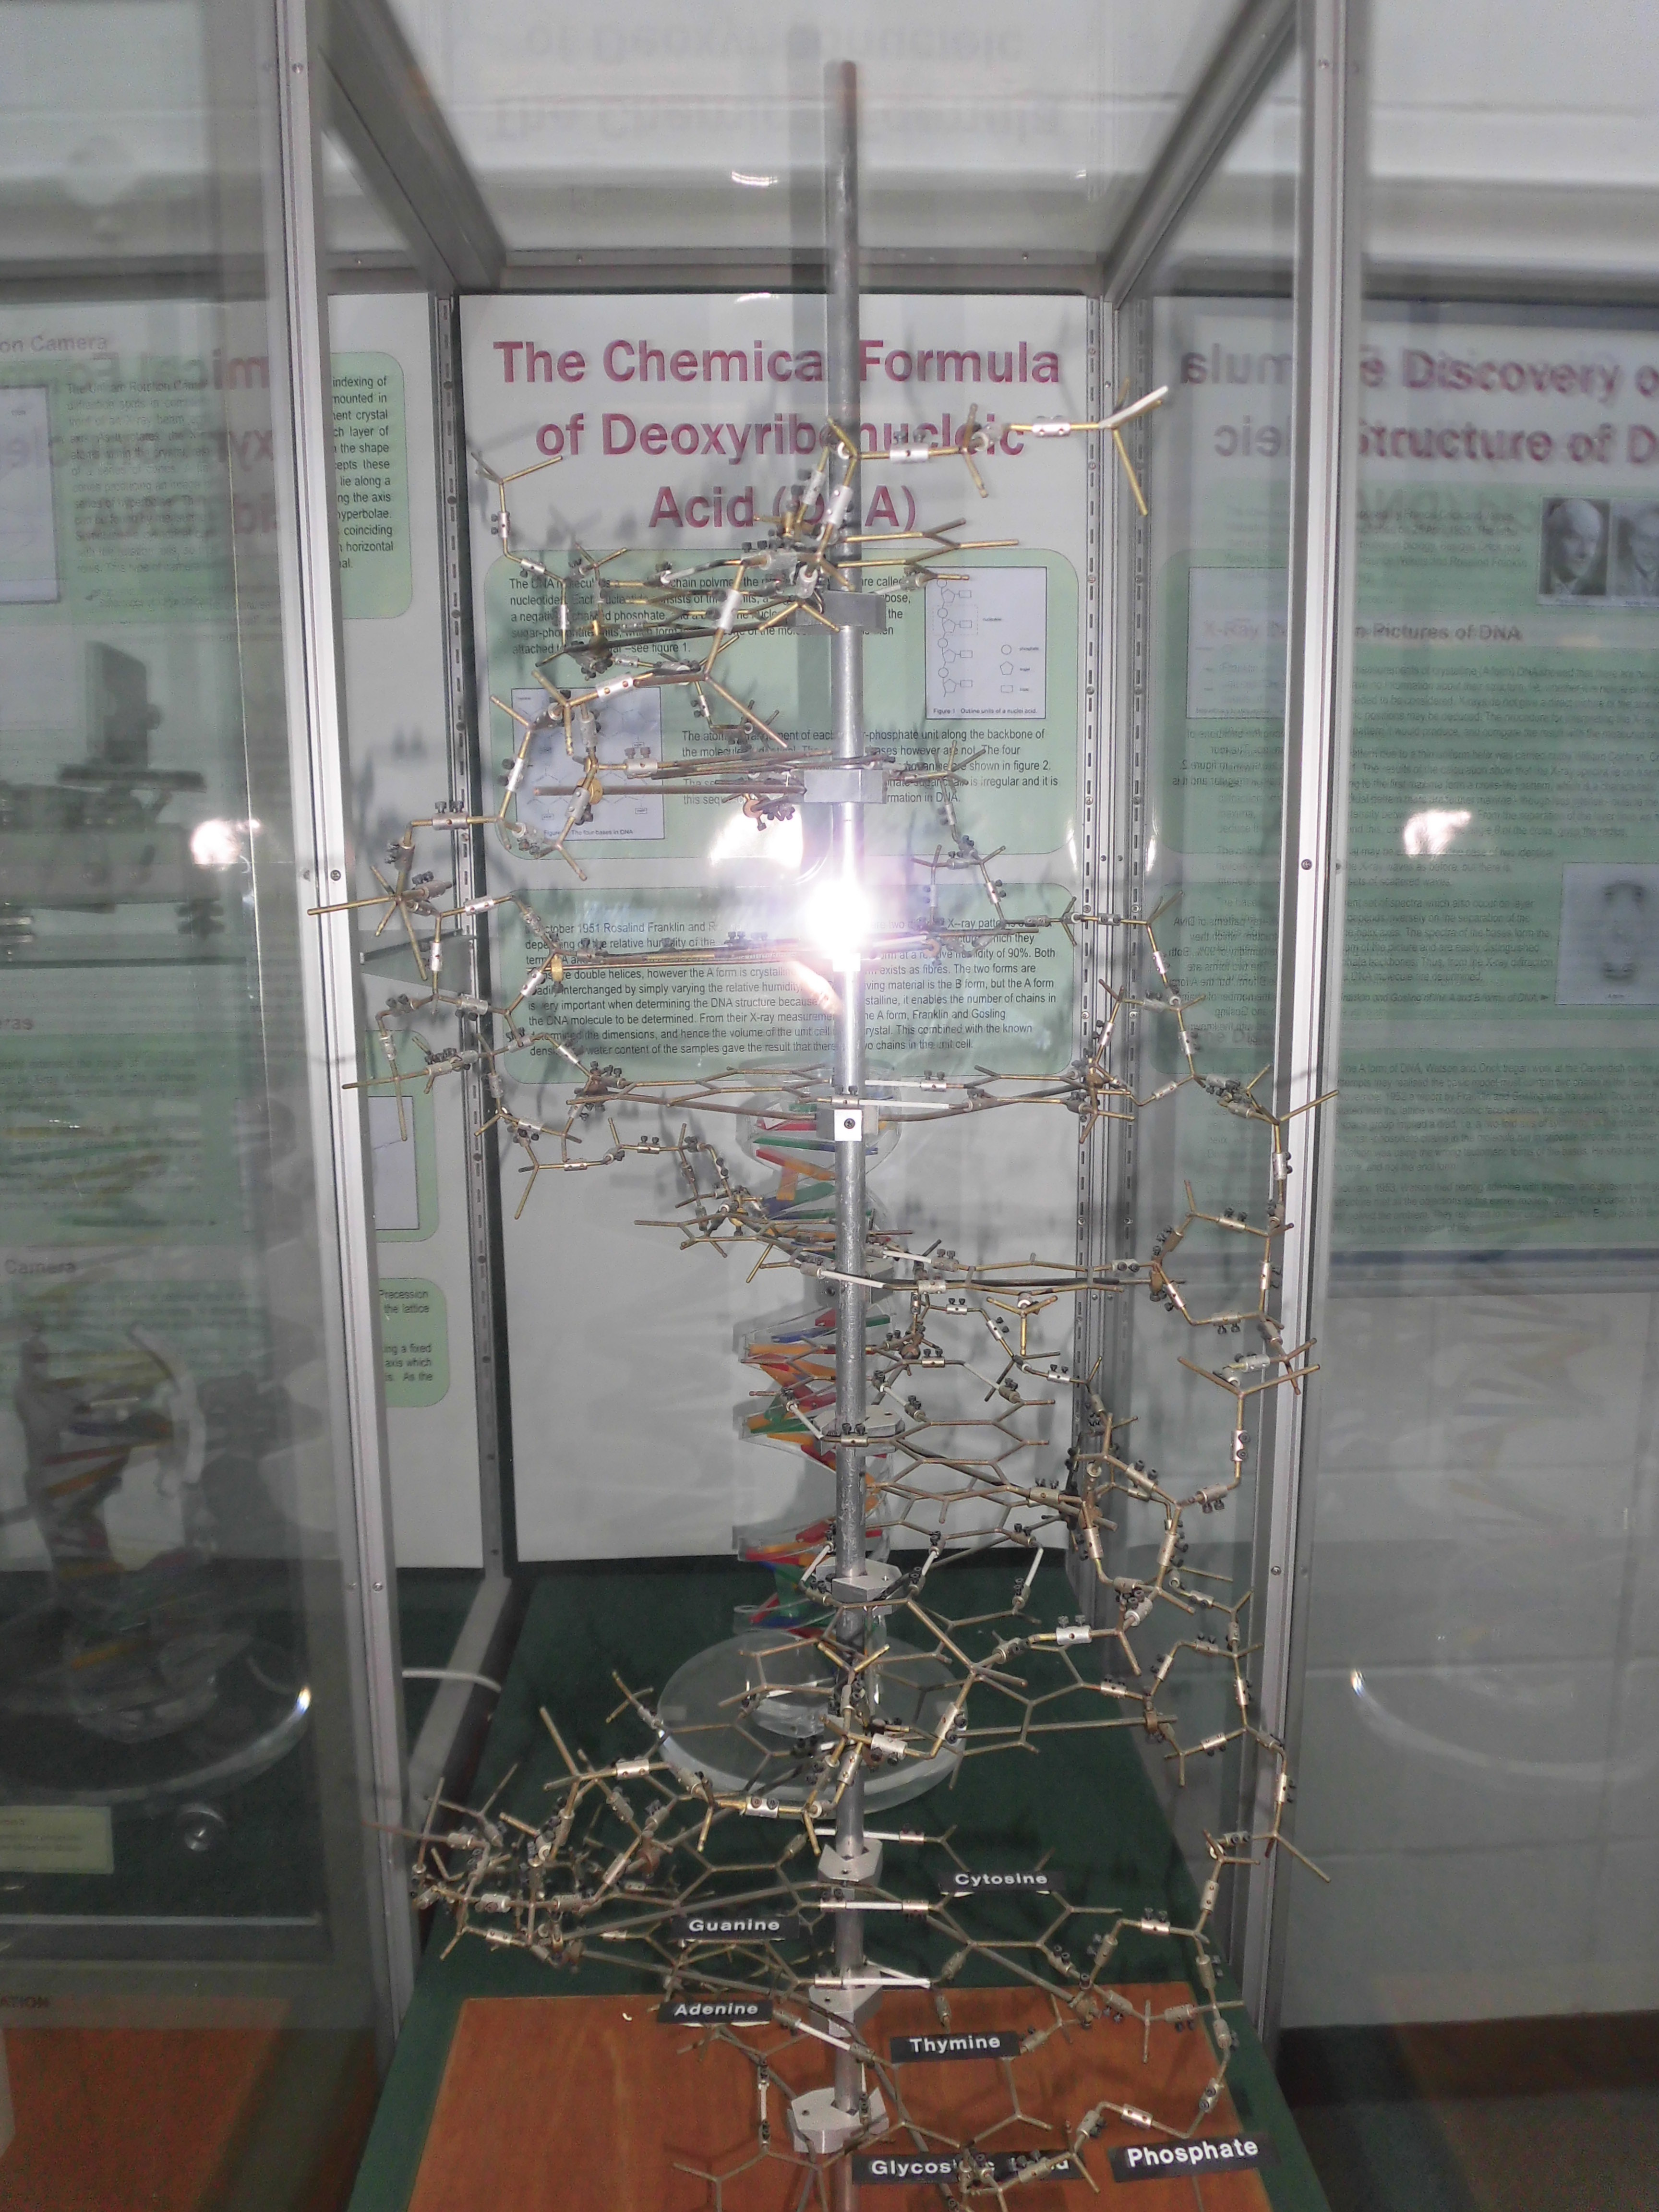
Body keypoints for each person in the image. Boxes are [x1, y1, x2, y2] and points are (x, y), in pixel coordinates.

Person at [1539, 497, 1609, 597]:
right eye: (1575, 538)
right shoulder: (1535, 583)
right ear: (1552, 538)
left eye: (1592, 540)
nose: (1585, 552)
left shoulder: (1598, 593)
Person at [1612, 503, 1659, 600]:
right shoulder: (1613, 576)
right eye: (1644, 539)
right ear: (1631, 539)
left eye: (1658, 541)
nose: (1651, 549)